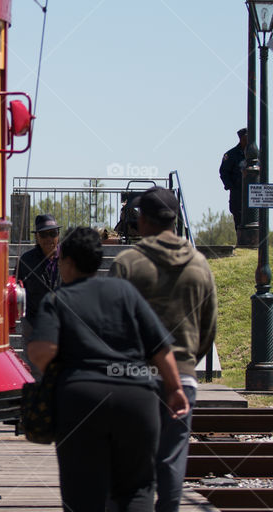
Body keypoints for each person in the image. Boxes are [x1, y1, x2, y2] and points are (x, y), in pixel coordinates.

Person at [28, 227, 189, 512]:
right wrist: (175, 388)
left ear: (68, 262)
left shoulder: (58, 299)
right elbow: (160, 348)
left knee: (83, 493)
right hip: (137, 398)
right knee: (137, 489)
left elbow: (43, 353)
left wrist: (56, 367)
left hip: (81, 400)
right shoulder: (125, 292)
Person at [108, 187, 217, 512]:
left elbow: (113, 326)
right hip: (182, 379)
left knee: (131, 461)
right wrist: (184, 364)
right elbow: (208, 327)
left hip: (134, 378)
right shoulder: (199, 264)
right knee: (171, 460)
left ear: (142, 220)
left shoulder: (128, 263)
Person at [14, 214, 60, 380]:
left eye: (53, 233)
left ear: (58, 235)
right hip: (34, 323)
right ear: (37, 237)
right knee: (37, 372)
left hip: (61, 324)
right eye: (44, 234)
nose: (49, 239)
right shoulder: (26, 261)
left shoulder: (68, 259)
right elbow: (17, 289)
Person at [219, 128, 247, 229]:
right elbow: (224, 172)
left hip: (254, 193)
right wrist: (231, 186)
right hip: (237, 192)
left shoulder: (257, 154)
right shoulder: (231, 155)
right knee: (238, 216)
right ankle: (240, 239)